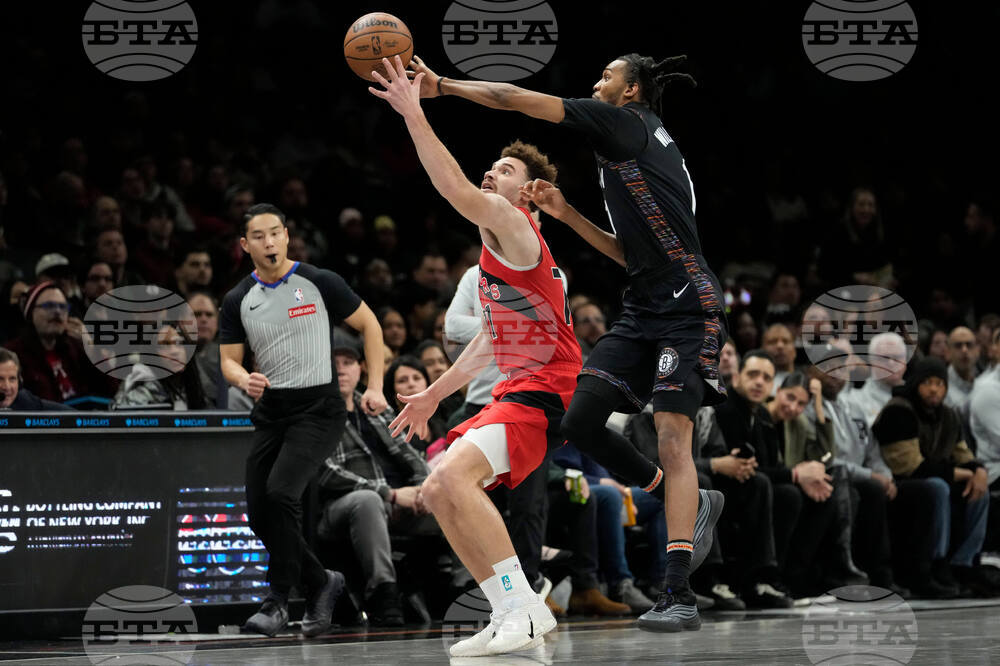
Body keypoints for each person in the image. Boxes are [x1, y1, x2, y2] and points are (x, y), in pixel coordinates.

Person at [406, 52, 726, 630]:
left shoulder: (623, 123)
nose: (595, 82)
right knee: (580, 422)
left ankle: (677, 590)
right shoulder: (624, 152)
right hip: (643, 302)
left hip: (686, 302)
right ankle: (672, 497)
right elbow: (629, 255)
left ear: (631, 92)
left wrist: (440, 87)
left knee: (673, 437)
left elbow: (510, 99)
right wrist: (569, 213)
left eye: (607, 76)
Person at [370, 56, 572, 656]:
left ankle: (523, 603)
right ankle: (514, 606)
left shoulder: (515, 224)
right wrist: (435, 393)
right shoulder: (502, 259)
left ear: (528, 195)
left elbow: (455, 189)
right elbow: (489, 340)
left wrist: (412, 112)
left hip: (546, 388)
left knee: (455, 477)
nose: (491, 174)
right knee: (438, 488)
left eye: (504, 169)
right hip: (522, 385)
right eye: (493, 165)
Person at [219, 203, 388, 637]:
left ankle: (277, 601)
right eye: (259, 236)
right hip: (272, 412)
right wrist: (244, 379)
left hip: (319, 410)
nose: (269, 242)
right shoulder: (239, 299)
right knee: (258, 514)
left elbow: (370, 325)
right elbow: (228, 362)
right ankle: (322, 582)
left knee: (280, 494)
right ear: (245, 245)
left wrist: (375, 386)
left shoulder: (318, 282)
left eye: (275, 233)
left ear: (287, 236)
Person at [317, 330, 436, 627]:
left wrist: (424, 489)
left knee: (452, 497)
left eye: (348, 362)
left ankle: (472, 586)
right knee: (368, 500)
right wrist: (391, 494)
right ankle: (385, 593)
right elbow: (325, 472)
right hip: (343, 508)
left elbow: (412, 456)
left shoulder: (373, 408)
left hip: (397, 503)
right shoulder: (315, 413)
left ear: (361, 368)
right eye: (334, 362)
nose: (341, 369)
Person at [872, 357, 998, 596]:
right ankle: (932, 564)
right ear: (916, 383)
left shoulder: (948, 415)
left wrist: (979, 471)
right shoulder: (898, 411)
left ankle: (964, 563)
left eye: (940, 384)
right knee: (937, 487)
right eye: (928, 382)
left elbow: (963, 454)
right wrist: (961, 473)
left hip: (935, 478)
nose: (934, 389)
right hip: (899, 484)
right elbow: (909, 467)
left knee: (980, 488)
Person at [5, 281, 116, 404]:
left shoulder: (75, 347)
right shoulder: (13, 354)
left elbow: (113, 390)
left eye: (63, 307)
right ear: (31, 313)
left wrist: (92, 349)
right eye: (48, 306)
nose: (57, 312)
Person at [112, 323, 206, 410]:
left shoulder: (189, 386)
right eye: (164, 346)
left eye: (179, 343)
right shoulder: (139, 389)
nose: (174, 351)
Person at [0, 347, 74, 411]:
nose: (7, 386)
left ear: (19, 381)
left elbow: (71, 415)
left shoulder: (24, 401)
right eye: (0, 379)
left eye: (12, 379)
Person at [945, 326, 980, 410]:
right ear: (948, 352)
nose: (964, 350)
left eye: (969, 345)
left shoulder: (985, 381)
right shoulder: (942, 387)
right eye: (958, 345)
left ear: (977, 350)